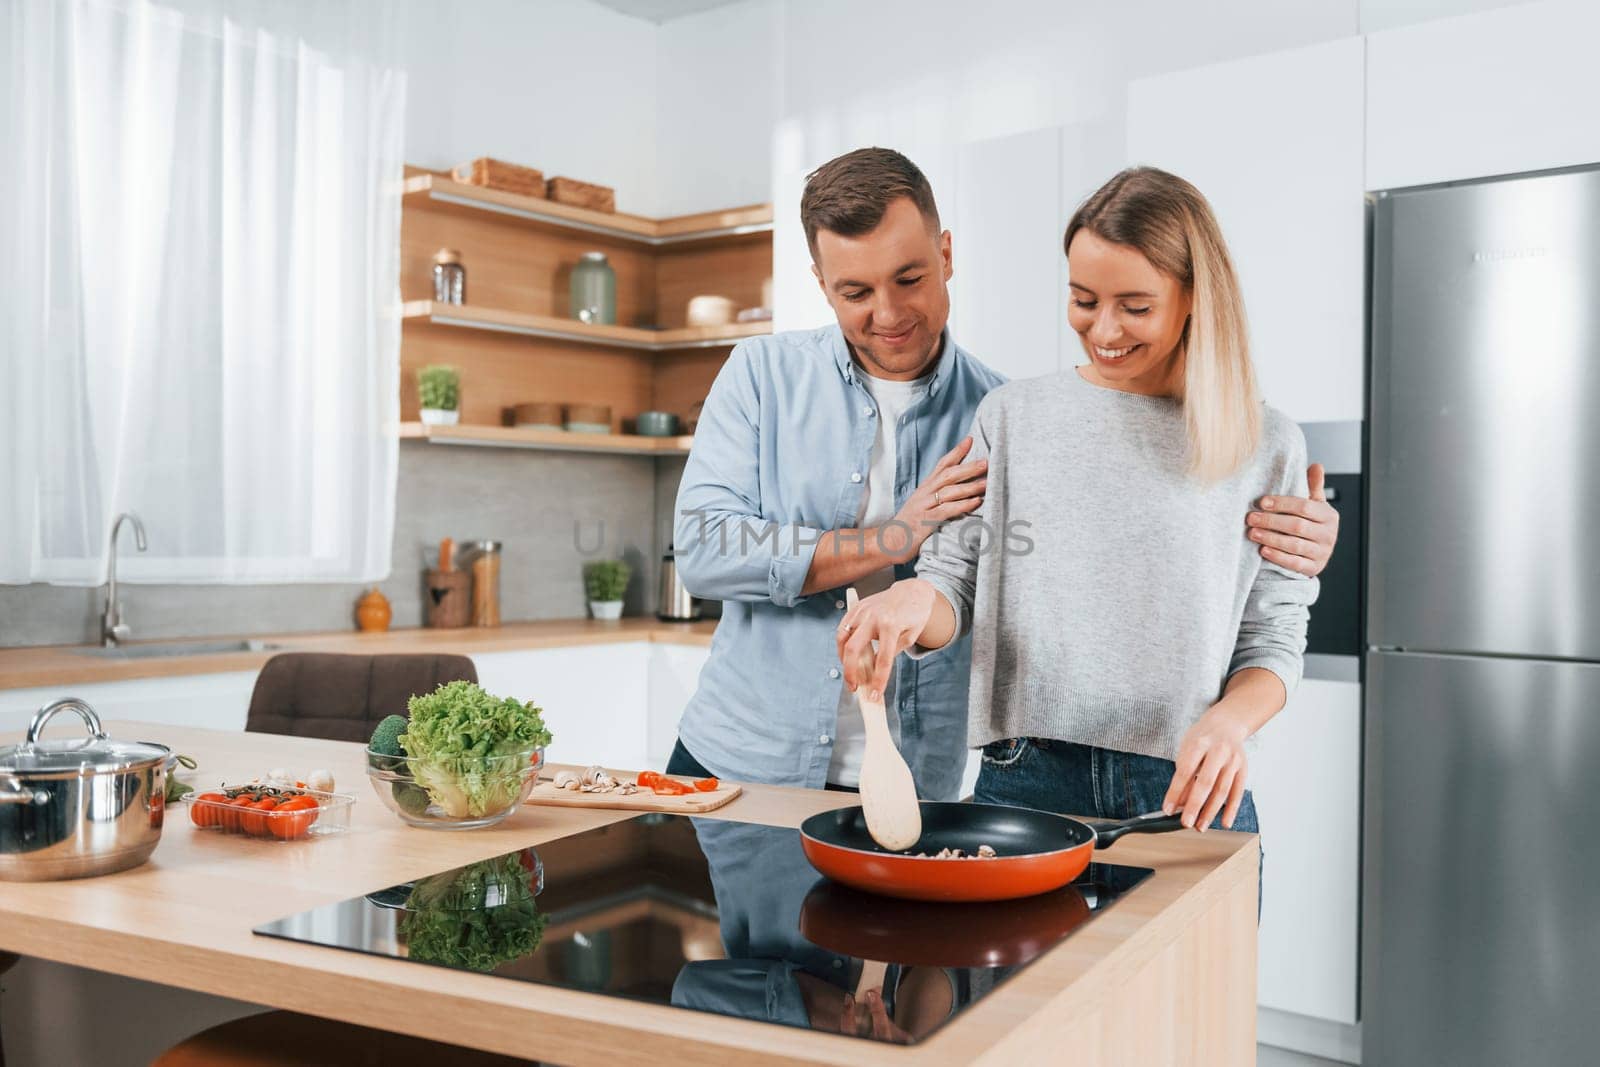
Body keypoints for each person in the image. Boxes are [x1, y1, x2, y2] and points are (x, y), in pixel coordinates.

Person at [672, 149, 1337, 800]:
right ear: (822, 285)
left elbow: (1262, 625)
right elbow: (707, 551)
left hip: (947, 778)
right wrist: (894, 547)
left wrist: (1293, 553)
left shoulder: (1000, 406)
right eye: (855, 291)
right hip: (751, 758)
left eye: (909, 279)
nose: (888, 312)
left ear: (947, 256)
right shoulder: (772, 377)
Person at [838, 167, 1317, 860]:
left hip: (1188, 790)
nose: (1104, 328)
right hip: (1026, 783)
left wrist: (1229, 724)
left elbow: (1274, 636)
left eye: (1135, 305)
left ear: (1192, 297)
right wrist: (911, 600)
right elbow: (955, 582)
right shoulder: (1014, 416)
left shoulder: (1263, 441)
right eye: (1083, 299)